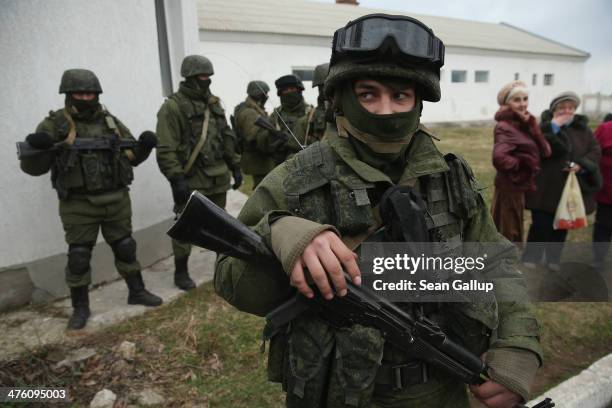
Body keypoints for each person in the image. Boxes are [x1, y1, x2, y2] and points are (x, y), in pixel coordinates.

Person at [215, 14, 542, 408]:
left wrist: (518, 345)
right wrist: (281, 232)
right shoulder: (295, 179)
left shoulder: (449, 177)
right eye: (368, 94)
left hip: (440, 391)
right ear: (342, 97)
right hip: (334, 395)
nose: (386, 110)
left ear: (418, 101)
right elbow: (233, 283)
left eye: (400, 95)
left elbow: (497, 263)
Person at [19, 69, 163, 330]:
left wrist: (144, 147)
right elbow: (34, 168)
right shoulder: (56, 124)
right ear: (68, 94)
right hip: (78, 203)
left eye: (90, 93)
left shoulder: (110, 122)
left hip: (116, 199)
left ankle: (137, 290)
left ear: (97, 94)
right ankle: (81, 307)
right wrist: (38, 148)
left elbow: (130, 156)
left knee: (125, 246)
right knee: (79, 256)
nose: (85, 98)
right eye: (79, 93)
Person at [156, 55, 241, 290]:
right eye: (202, 77)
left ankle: (222, 268)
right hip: (191, 178)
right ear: (190, 78)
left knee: (220, 224)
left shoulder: (213, 104)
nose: (206, 81)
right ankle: (181, 272)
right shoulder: (172, 107)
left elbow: (226, 137)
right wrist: (176, 178)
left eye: (208, 77)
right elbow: (165, 147)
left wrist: (235, 165)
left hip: (218, 177)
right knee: (186, 227)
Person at [523, 92, 602, 270]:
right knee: (541, 224)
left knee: (562, 224)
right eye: (562, 108)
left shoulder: (583, 130)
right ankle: (532, 257)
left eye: (571, 108)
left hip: (569, 187)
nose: (567, 111)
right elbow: (538, 148)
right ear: (554, 110)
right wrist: (553, 128)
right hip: (545, 185)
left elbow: (595, 150)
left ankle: (553, 259)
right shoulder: (542, 127)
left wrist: (581, 165)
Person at [491, 81, 551, 245]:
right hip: (509, 188)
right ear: (506, 103)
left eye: (525, 99)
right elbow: (499, 158)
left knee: (514, 231)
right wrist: (525, 164)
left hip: (520, 187)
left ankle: (507, 264)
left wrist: (532, 125)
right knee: (508, 232)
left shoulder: (523, 123)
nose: (523, 104)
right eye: (517, 100)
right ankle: (502, 267)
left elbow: (546, 151)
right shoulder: (504, 126)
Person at [233, 80, 284, 188]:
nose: (267, 97)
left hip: (259, 160)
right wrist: (274, 135)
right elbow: (254, 138)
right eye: (265, 93)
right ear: (259, 94)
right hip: (258, 161)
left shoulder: (253, 109)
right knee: (264, 192)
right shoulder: (249, 113)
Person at [270, 74, 315, 162]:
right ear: (280, 93)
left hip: (307, 161)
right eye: (285, 90)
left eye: (292, 89)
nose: (288, 92)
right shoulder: (275, 116)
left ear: (299, 90)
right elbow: (264, 143)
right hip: (279, 163)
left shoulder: (310, 113)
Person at [593, 113, 612, 271]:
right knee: (604, 226)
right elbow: (593, 153)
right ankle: (599, 259)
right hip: (607, 191)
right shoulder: (605, 129)